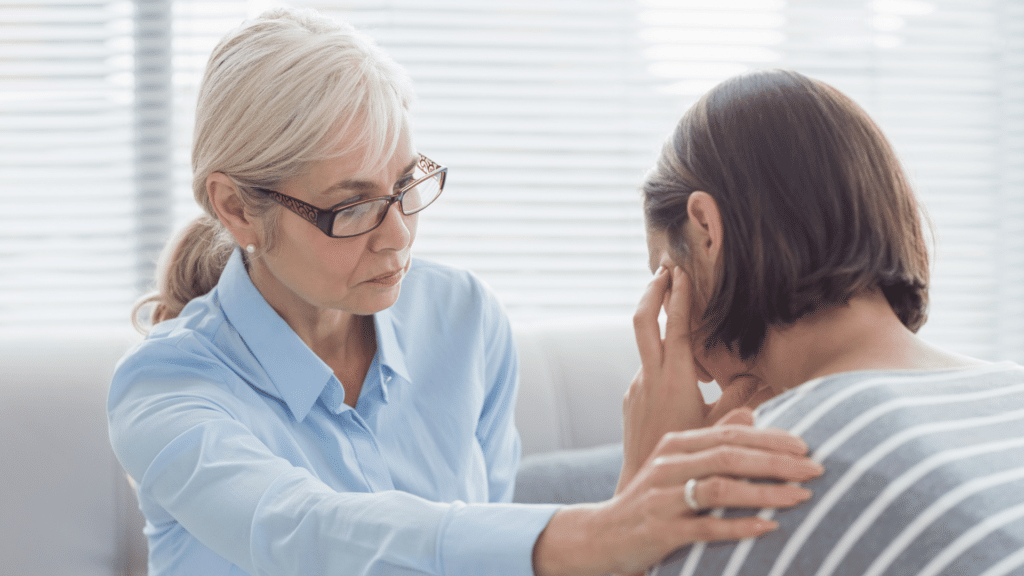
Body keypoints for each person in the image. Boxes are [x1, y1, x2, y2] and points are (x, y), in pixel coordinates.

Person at [106, 9, 824, 576]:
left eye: (405, 186)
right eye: (351, 206)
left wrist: (644, 485)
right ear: (235, 209)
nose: (397, 239)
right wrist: (612, 527)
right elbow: (306, 532)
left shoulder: (462, 319)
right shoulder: (166, 388)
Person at [621, 68, 1024, 576]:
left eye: (668, 280)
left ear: (705, 228)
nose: (698, 373)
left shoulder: (763, 466)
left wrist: (642, 489)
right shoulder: (1012, 392)